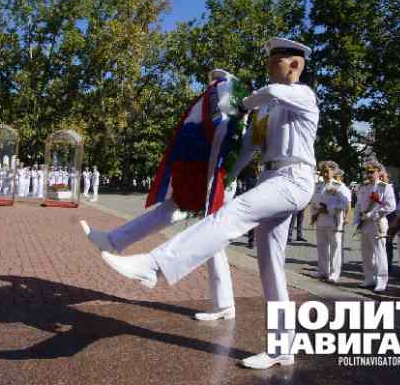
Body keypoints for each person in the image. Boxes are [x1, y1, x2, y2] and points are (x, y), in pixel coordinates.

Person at [96, 37, 318, 370]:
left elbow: (268, 93)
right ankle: (283, 346)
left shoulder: (301, 95)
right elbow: (249, 149)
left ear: (296, 64)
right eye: (270, 60)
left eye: (276, 60)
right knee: (270, 266)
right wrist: (224, 178)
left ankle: (155, 266)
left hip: (295, 177)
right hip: (272, 178)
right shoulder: (269, 109)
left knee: (234, 214)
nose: (269, 65)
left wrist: (239, 101)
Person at [81, 69, 243, 321]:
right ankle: (114, 241)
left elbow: (222, 132)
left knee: (203, 231)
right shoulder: (211, 99)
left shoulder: (224, 95)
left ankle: (124, 248)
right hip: (202, 173)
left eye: (215, 79)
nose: (210, 81)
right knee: (196, 228)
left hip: (215, 176)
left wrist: (211, 174)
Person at [355, 160, 396, 293]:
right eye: (367, 172)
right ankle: (369, 278)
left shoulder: (385, 187)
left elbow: (390, 206)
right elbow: (358, 205)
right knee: (366, 253)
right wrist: (358, 218)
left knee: (379, 253)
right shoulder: (363, 187)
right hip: (365, 223)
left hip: (377, 223)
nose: (369, 174)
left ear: (379, 172)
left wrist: (372, 214)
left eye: (372, 172)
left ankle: (381, 281)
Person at [311, 161, 346, 283]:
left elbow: (343, 203)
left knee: (335, 248)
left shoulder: (338, 186)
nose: (325, 174)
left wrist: (328, 208)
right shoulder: (318, 186)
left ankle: (334, 273)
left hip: (333, 221)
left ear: (333, 171)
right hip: (320, 220)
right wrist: (314, 212)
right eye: (323, 171)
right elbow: (313, 201)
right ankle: (323, 271)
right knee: (322, 247)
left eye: (327, 171)